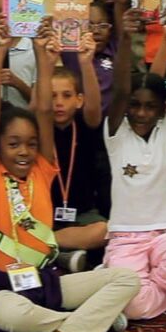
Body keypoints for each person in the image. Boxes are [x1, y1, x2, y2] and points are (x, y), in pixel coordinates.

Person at [0, 17, 139, 332]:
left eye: (31, 144)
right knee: (12, 315)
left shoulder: (42, 170)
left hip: (45, 282)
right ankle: (91, 323)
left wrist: (43, 58)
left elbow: (44, 110)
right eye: (13, 144)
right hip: (2, 289)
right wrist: (1, 47)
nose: (23, 151)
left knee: (126, 278)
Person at [102, 4, 166, 319]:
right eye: (135, 106)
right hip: (126, 235)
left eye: (150, 107)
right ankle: (157, 297)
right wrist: (125, 37)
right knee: (133, 307)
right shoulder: (116, 135)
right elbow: (120, 89)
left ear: (162, 110)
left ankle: (141, 291)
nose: (141, 113)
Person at [50, 32, 109, 272]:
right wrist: (46, 62)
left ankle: (49, 247)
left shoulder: (85, 125)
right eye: (52, 96)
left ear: (79, 100)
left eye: (66, 96)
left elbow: (95, 107)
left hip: (83, 214)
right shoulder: (41, 127)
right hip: (46, 215)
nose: (59, 103)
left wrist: (86, 61)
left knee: (105, 231)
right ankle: (66, 255)